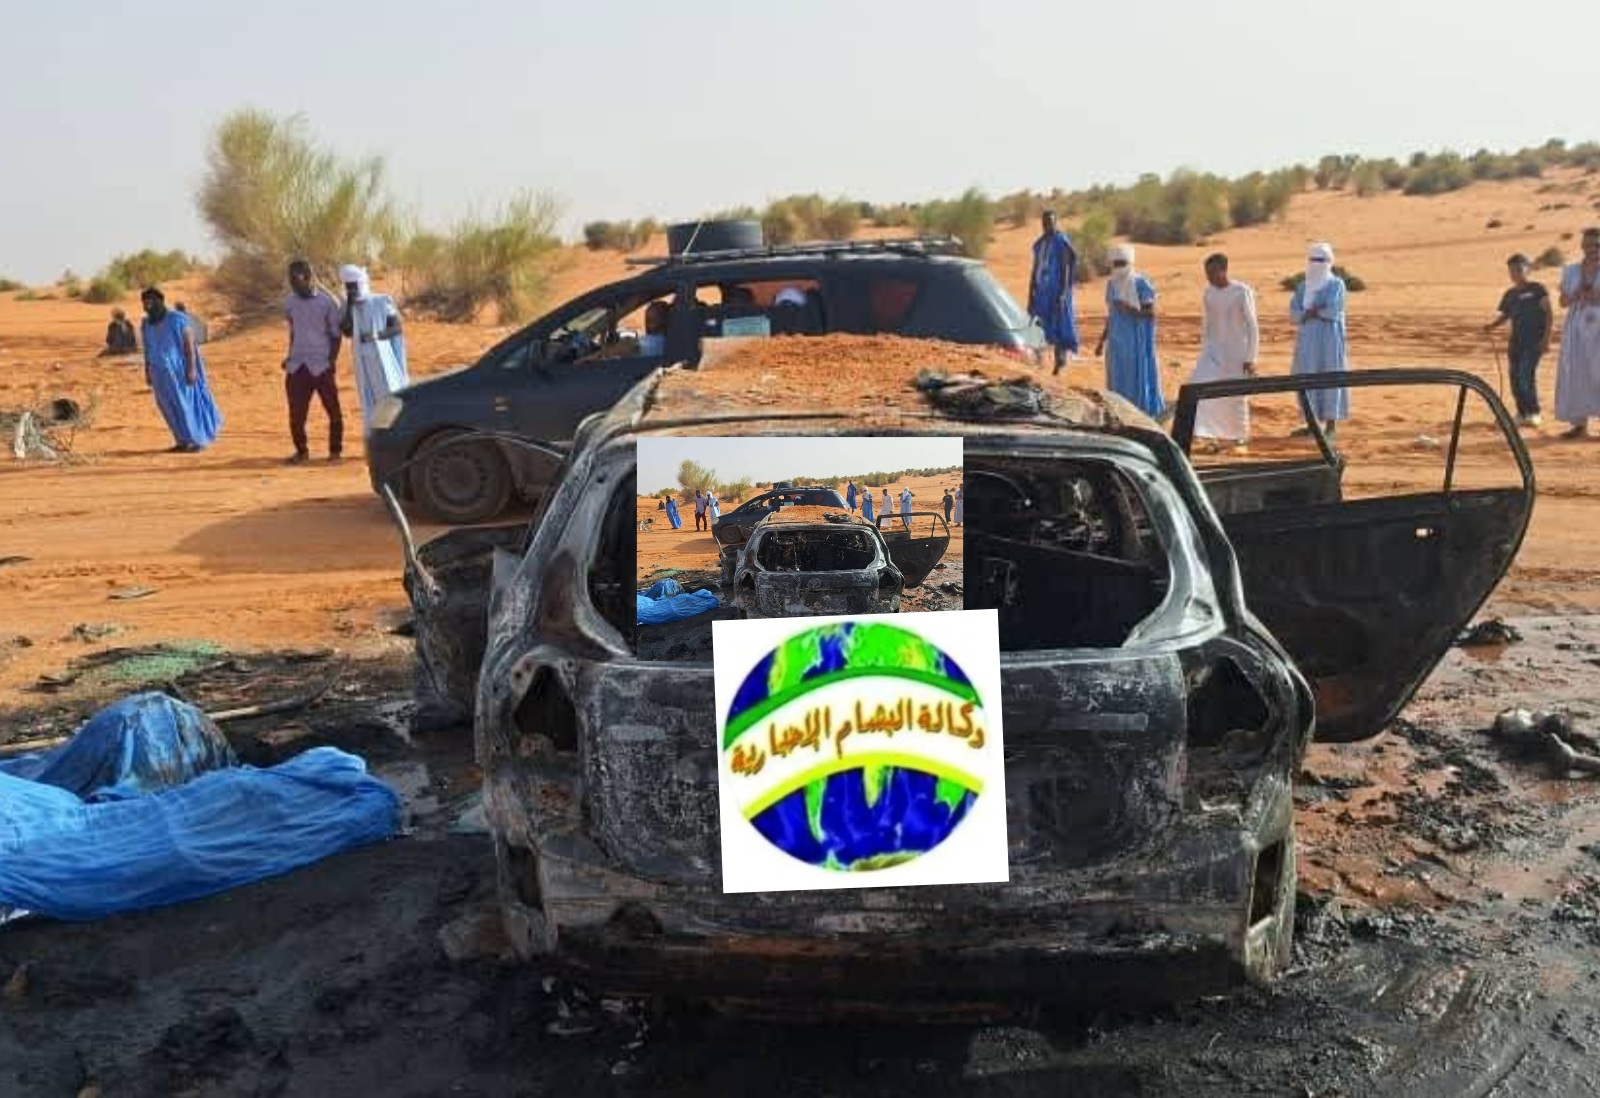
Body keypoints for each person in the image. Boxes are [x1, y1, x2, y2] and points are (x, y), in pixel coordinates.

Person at [1186, 253, 1260, 451]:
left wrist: (1251, 357)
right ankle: (1206, 433)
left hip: (1238, 353)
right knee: (1198, 385)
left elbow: (1252, 326)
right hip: (1213, 351)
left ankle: (1238, 436)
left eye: (1212, 272)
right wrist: (1205, 350)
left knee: (1235, 396)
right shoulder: (1208, 293)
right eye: (1207, 273)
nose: (1209, 277)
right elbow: (1207, 324)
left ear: (1224, 270)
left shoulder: (1241, 291)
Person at [138, 286, 221, 453]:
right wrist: (147, 370)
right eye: (145, 302)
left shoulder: (177, 318)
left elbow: (189, 345)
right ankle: (181, 440)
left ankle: (196, 440)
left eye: (151, 301)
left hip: (178, 371)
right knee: (167, 407)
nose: (147, 305)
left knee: (184, 404)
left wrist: (192, 369)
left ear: (160, 301)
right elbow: (147, 348)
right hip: (158, 372)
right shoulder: (146, 324)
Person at [282, 259, 345, 464]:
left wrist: (332, 360)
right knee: (296, 414)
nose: (293, 284)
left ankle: (335, 452)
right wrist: (289, 355)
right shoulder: (289, 303)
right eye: (291, 280)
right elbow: (294, 331)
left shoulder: (327, 303)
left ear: (309, 277)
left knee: (333, 410)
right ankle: (302, 452)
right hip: (297, 365)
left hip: (321, 365)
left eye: (296, 279)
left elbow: (336, 335)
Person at [339, 264, 409, 437]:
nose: (351, 290)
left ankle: (400, 434)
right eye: (348, 286)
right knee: (370, 400)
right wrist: (350, 304)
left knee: (391, 396)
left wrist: (375, 335)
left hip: (384, 360)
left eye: (353, 286)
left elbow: (396, 328)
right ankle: (378, 437)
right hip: (364, 363)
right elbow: (347, 331)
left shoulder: (381, 301)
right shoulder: (348, 307)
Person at [1094, 245, 1164, 417]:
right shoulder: (1111, 284)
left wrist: (1129, 309)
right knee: (1117, 378)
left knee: (1136, 376)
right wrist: (1101, 341)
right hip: (1116, 342)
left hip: (1136, 341)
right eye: (1115, 264)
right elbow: (1111, 315)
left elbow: (1151, 312)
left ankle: (1141, 413)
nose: (1118, 268)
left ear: (1130, 263)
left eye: (1122, 263)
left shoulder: (1140, 283)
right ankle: (1120, 413)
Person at [1289, 242, 1350, 438]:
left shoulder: (1336, 284)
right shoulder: (1303, 287)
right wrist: (1312, 312)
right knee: (1307, 378)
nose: (1317, 264)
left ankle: (1331, 428)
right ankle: (1311, 425)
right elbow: (1294, 314)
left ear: (1329, 262)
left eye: (1321, 260)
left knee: (1330, 377)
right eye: (1314, 260)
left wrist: (1311, 312)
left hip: (1330, 340)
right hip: (1307, 342)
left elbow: (1333, 310)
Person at [1486, 254, 1552, 428]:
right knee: (1514, 378)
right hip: (1515, 343)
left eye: (1518, 269)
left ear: (1527, 269)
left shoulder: (1537, 289)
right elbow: (1506, 315)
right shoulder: (1510, 294)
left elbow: (1549, 314)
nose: (1515, 273)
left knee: (1525, 375)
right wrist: (1492, 326)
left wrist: (1546, 339)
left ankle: (1534, 412)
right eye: (1512, 270)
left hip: (1534, 343)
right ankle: (1521, 413)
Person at [1556, 228, 1600, 438]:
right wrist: (1576, 294)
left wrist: (1596, 296)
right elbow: (1563, 302)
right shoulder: (1571, 271)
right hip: (1576, 328)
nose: (1593, 249)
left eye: (1597, 245)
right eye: (1589, 245)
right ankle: (1579, 425)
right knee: (1576, 373)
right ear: (1582, 246)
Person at [1028, 210, 1079, 372]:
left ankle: (1060, 361)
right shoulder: (1039, 244)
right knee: (1038, 324)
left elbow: (1066, 267)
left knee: (1060, 324)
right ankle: (1038, 361)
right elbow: (1035, 269)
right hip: (1042, 291)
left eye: (1050, 222)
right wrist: (1031, 293)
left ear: (1055, 222)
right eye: (1045, 222)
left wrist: (1063, 293)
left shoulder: (1060, 241)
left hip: (1057, 290)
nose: (1047, 225)